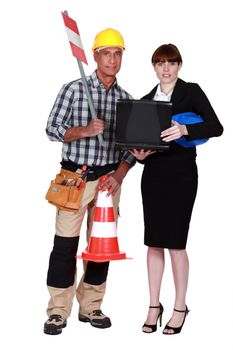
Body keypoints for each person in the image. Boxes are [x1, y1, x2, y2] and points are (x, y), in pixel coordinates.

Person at [44, 28, 135, 335]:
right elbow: (51, 129)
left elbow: (131, 151)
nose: (112, 59)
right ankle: (58, 310)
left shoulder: (127, 101)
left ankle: (91, 305)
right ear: (94, 56)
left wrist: (119, 174)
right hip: (75, 180)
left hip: (109, 183)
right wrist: (84, 130)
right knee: (64, 246)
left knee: (101, 248)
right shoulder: (73, 90)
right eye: (106, 53)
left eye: (118, 53)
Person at [130, 44, 223, 335]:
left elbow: (216, 127)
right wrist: (140, 156)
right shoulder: (145, 100)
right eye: (160, 63)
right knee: (153, 241)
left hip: (182, 176)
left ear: (179, 65)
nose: (166, 68)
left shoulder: (191, 91)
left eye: (171, 63)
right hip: (154, 176)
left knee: (176, 243)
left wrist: (185, 130)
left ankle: (180, 306)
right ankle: (153, 305)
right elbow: (141, 144)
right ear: (154, 67)